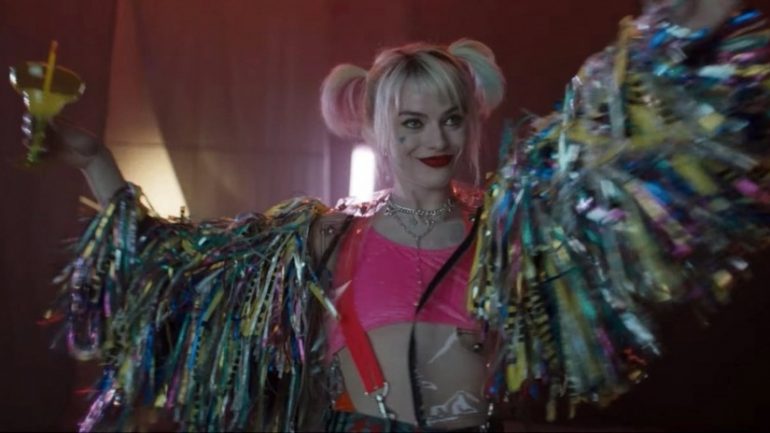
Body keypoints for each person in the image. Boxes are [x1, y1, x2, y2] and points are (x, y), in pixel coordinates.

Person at [27, 0, 767, 431]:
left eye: (450, 119)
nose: (434, 139)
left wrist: (678, 32)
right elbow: (169, 264)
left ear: (471, 120)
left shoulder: (510, 226)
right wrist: (92, 158)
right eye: (411, 123)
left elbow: (610, 146)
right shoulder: (322, 238)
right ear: (379, 131)